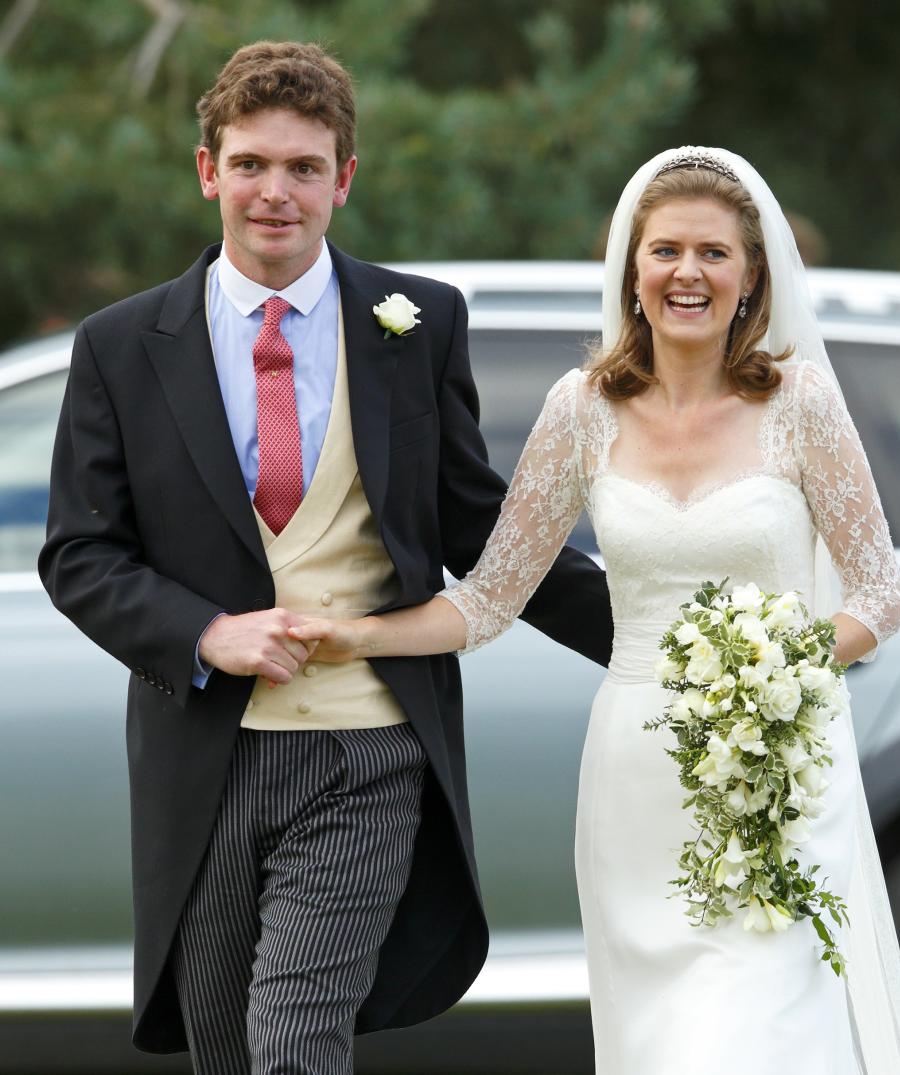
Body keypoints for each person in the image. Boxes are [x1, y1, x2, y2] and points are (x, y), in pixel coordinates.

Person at [38, 40, 613, 1075]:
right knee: (226, 1047)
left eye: (304, 168)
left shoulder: (418, 322)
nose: (276, 193)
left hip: (370, 747)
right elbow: (81, 553)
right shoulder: (121, 346)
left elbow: (480, 528)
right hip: (203, 756)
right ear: (207, 170)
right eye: (252, 164)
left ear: (343, 181)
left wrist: (666, 637)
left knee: (296, 1040)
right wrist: (205, 630)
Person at [294, 147, 900, 1073]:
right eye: (665, 250)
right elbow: (490, 596)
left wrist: (785, 666)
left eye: (714, 253)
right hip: (638, 776)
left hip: (781, 778)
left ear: (751, 276)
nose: (689, 273)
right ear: (632, 272)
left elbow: (879, 594)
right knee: (665, 1041)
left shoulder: (803, 402)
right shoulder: (580, 409)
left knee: (764, 1034)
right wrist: (356, 635)